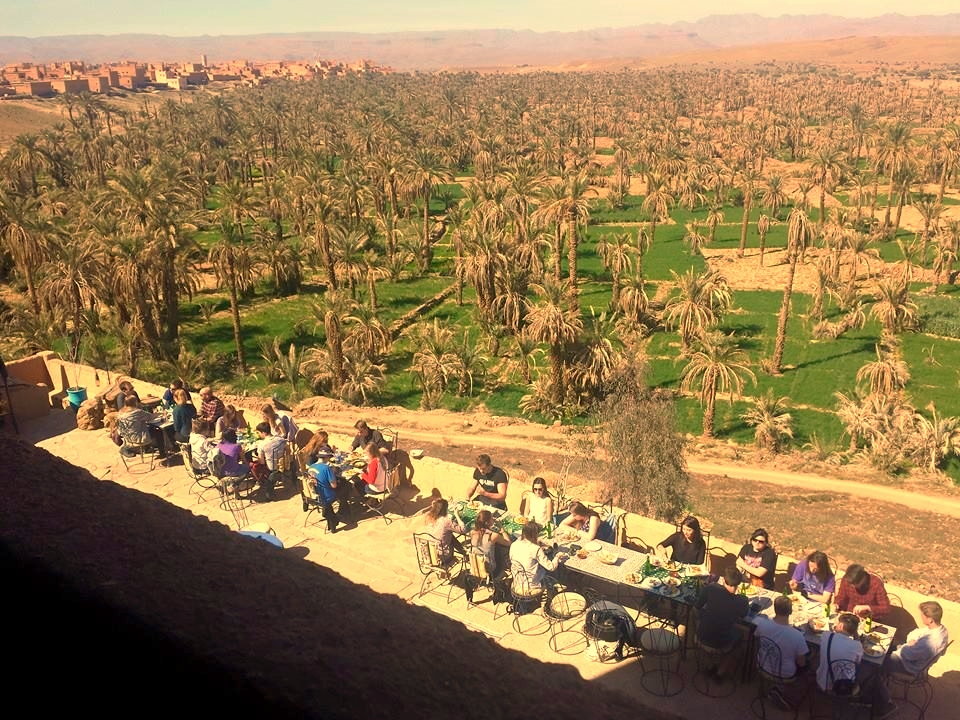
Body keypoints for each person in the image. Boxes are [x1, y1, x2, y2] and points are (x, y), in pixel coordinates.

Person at [871, 601, 949, 717]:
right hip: (911, 656)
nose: (921, 617)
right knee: (887, 645)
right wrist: (910, 642)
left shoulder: (931, 642)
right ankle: (879, 686)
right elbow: (914, 633)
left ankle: (885, 702)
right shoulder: (939, 629)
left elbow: (905, 654)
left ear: (930, 619)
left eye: (922, 615)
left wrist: (907, 645)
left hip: (909, 666)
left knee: (874, 664)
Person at [751, 596, 809, 705]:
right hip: (784, 673)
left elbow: (756, 640)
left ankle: (775, 689)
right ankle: (782, 691)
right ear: (791, 611)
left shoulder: (762, 624)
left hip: (762, 664)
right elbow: (802, 663)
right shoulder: (797, 636)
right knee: (807, 662)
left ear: (774, 609)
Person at [695, 567, 750, 654]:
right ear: (739, 583)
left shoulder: (711, 588)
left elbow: (697, 607)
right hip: (721, 643)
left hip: (702, 636)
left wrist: (698, 622)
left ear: (724, 580)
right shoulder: (742, 600)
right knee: (742, 634)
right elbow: (743, 616)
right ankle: (726, 663)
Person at [508, 521, 568, 597]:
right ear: (534, 535)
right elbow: (551, 567)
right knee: (553, 567)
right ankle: (555, 588)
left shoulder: (514, 544)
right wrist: (557, 556)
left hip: (518, 579)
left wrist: (537, 544)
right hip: (532, 584)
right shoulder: (536, 549)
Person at [815, 613, 863, 694]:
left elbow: (831, 632)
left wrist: (835, 628)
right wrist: (855, 633)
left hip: (822, 681)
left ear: (840, 626)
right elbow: (858, 663)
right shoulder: (858, 646)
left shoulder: (826, 635)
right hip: (844, 686)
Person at [466, 509, 512, 578]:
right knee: (503, 550)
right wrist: (502, 530)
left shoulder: (472, 532)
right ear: (487, 523)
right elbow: (508, 543)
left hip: (476, 566)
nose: (493, 519)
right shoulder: (493, 536)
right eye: (491, 518)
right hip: (490, 570)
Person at [307, 450, 342, 533]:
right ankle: (340, 514)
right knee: (344, 490)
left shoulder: (311, 467)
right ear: (326, 458)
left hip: (315, 495)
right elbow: (334, 485)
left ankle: (330, 517)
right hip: (327, 496)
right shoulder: (326, 468)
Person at [422, 498, 464, 564]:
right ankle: (464, 552)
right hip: (443, 558)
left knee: (447, 534)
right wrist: (456, 515)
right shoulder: (446, 521)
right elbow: (462, 529)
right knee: (449, 535)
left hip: (429, 554)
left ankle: (463, 551)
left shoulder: (427, 516)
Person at [251, 421, 286, 499]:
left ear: (263, 432)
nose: (258, 435)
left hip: (272, 468)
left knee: (253, 466)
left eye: (259, 433)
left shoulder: (262, 444)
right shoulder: (280, 439)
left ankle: (260, 482)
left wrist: (255, 457)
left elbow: (262, 462)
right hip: (283, 464)